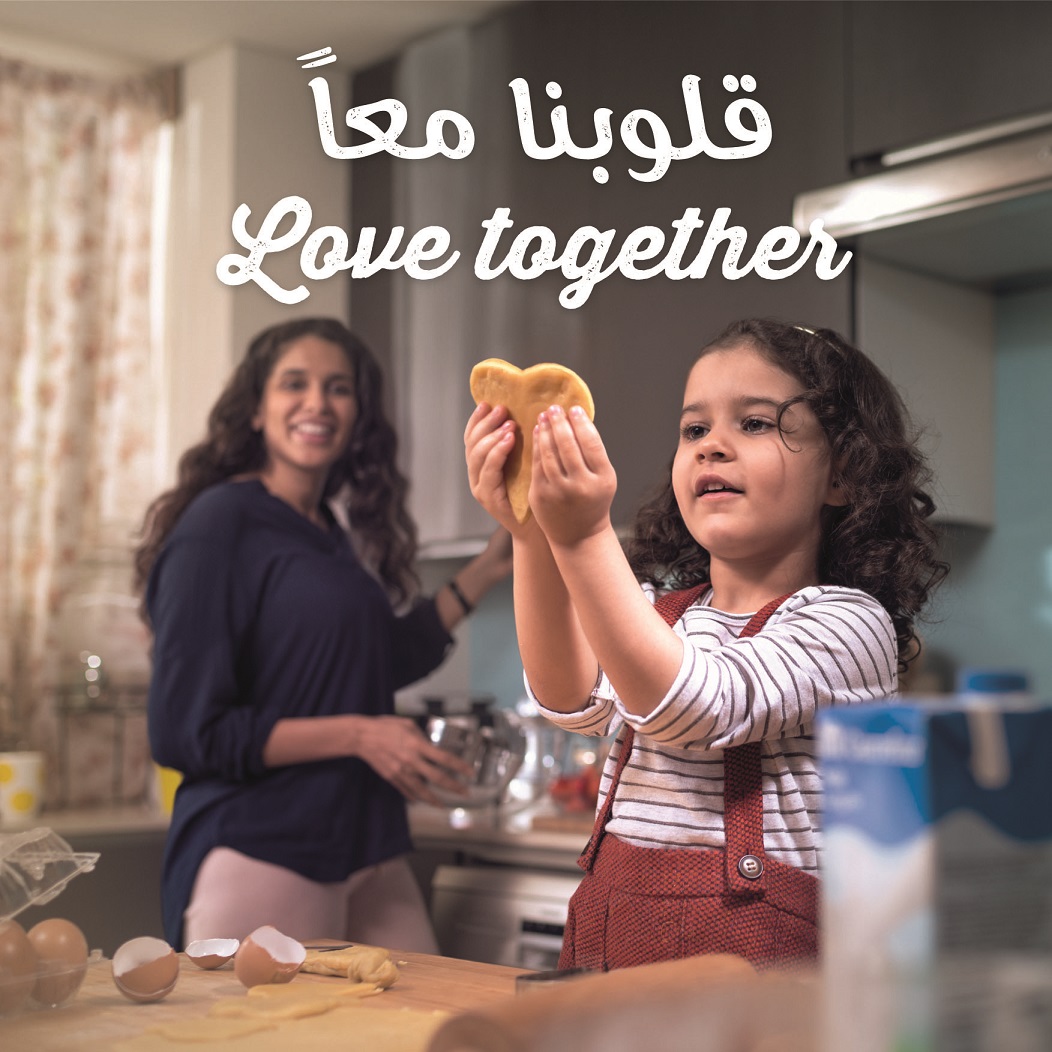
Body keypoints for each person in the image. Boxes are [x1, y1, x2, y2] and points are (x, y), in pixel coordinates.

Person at [464, 318, 946, 971]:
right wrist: (531, 533)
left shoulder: (846, 625)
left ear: (843, 476)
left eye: (754, 423)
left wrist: (580, 538)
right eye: (694, 429)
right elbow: (568, 698)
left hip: (754, 975)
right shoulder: (659, 613)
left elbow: (693, 704)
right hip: (611, 945)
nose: (712, 446)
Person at [135, 316, 511, 952]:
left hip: (363, 842)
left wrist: (483, 572)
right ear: (256, 409)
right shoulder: (219, 525)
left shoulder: (326, 532)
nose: (317, 403)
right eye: (294, 384)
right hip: (262, 846)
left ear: (358, 414)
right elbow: (184, 731)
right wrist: (360, 734)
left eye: (338, 388)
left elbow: (366, 664)